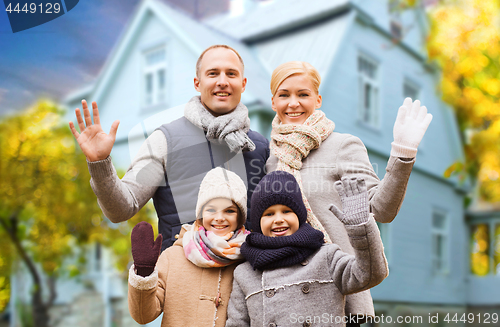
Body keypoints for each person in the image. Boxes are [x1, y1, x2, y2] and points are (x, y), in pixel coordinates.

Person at [266, 61, 432, 324]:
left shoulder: (342, 146)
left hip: (341, 295)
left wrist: (403, 153)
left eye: (303, 94)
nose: (293, 103)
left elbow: (382, 210)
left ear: (317, 99)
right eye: (284, 94)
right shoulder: (272, 160)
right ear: (273, 101)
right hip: (289, 301)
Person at [69, 45, 269, 250]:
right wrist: (100, 163)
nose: (222, 81)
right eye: (213, 73)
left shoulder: (261, 148)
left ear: (243, 84)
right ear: (197, 83)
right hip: (181, 276)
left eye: (231, 74)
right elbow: (121, 208)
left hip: (245, 278)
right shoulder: (165, 141)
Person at [225, 171, 388, 327]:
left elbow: (371, 274)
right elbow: (236, 324)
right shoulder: (244, 273)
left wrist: (361, 229)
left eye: (286, 211)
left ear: (300, 216)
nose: (279, 219)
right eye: (269, 214)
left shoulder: (326, 256)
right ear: (257, 222)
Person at [128, 167, 249, 327]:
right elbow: (143, 316)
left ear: (240, 216)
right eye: (211, 210)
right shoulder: (172, 257)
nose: (219, 218)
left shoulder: (249, 258)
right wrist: (144, 273)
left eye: (229, 211)